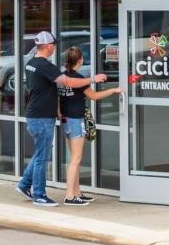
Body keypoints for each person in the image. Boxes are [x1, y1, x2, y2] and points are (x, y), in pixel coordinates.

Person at [16, 31, 106, 207]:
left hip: (35, 115)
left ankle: (25, 184)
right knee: (42, 157)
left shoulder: (31, 63)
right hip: (42, 118)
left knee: (39, 153)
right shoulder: (44, 65)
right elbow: (69, 82)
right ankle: (39, 195)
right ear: (48, 46)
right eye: (54, 45)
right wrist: (93, 78)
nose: (54, 48)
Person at [58, 45, 124, 206]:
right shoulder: (80, 79)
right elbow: (94, 96)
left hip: (66, 119)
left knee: (74, 158)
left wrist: (60, 114)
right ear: (80, 60)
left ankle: (77, 192)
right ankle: (69, 196)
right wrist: (114, 90)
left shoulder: (62, 78)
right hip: (75, 120)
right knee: (76, 158)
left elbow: (58, 99)